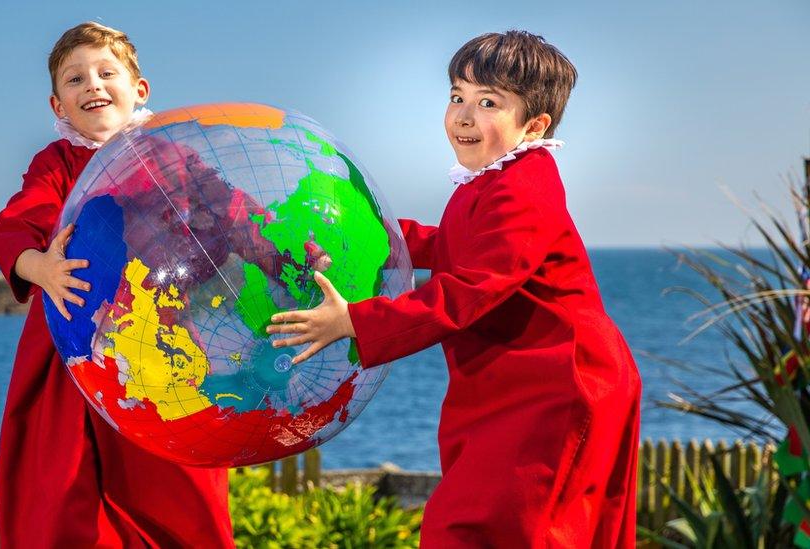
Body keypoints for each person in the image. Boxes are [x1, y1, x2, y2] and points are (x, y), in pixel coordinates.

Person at [267, 30, 641, 547]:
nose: (463, 116)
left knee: (509, 530)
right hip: (508, 383)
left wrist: (355, 320)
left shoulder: (524, 186)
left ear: (534, 126)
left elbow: (470, 288)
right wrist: (364, 240)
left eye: (488, 102)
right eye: (456, 97)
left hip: (556, 385)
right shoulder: (491, 180)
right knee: (474, 525)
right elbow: (454, 246)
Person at [0, 22, 234, 548]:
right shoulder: (57, 164)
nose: (92, 86)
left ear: (139, 90)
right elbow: (13, 227)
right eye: (75, 80)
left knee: (180, 493)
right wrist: (42, 268)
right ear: (58, 106)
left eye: (106, 73)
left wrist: (297, 254)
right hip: (71, 353)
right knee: (61, 491)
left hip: (163, 347)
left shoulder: (175, 158)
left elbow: (239, 216)